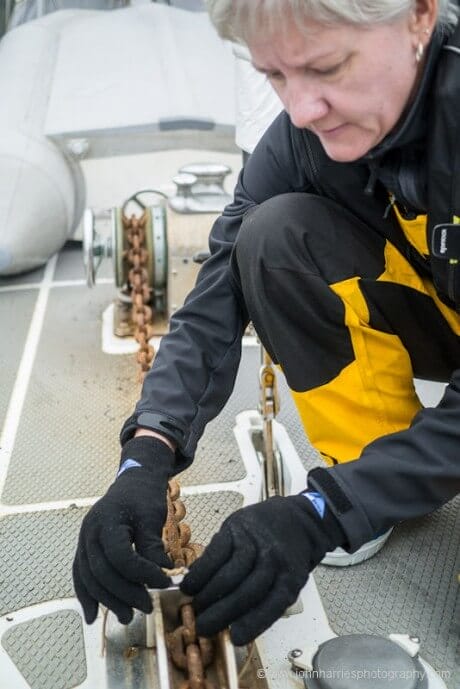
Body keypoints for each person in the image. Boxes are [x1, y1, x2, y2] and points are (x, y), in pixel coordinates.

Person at [73, 0, 460, 647]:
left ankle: (362, 493)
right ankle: (372, 468)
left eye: (327, 67)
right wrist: (144, 455)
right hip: (439, 304)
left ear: (419, 16)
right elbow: (216, 296)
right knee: (270, 236)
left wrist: (319, 515)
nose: (302, 110)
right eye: (276, 76)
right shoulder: (302, 140)